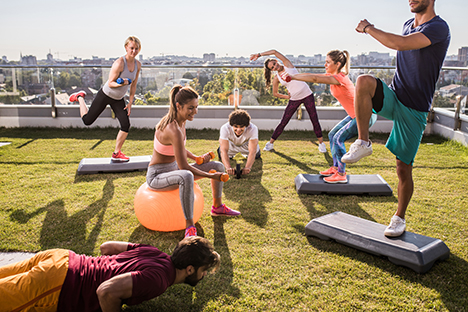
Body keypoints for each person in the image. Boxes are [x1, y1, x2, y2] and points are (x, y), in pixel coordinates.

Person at [341, 0, 450, 237]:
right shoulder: (407, 24)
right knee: (364, 82)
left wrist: (368, 28)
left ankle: (399, 218)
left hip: (415, 109)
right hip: (395, 96)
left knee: (403, 168)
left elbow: (401, 44)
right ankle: (363, 142)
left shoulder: (438, 28)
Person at [0, 236, 220, 312]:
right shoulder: (159, 280)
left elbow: (106, 247)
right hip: (57, 283)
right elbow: (106, 292)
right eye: (203, 272)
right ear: (190, 270)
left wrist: (103, 269)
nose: (203, 276)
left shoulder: (156, 253)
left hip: (61, 258)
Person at [147, 85, 241, 238]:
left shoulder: (181, 122)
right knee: (186, 176)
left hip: (174, 170)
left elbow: (178, 148)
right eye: (191, 108)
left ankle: (217, 207)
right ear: (178, 106)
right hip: (157, 177)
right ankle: (189, 226)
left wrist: (196, 158)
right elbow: (184, 167)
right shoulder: (172, 128)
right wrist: (211, 176)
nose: (195, 111)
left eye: (196, 107)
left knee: (217, 165)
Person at [288, 50, 377, 184]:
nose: (325, 65)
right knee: (332, 135)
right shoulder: (333, 75)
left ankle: (341, 174)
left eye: (328, 62)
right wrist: (295, 75)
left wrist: (294, 77)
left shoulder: (338, 78)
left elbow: (315, 79)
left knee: (338, 138)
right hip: (356, 115)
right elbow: (312, 75)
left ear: (338, 64)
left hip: (364, 116)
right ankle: (335, 168)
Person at [69, 36, 142, 162]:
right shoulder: (119, 63)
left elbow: (134, 84)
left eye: (136, 49)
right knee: (87, 121)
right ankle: (80, 97)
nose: (133, 51)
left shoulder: (137, 65)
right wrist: (122, 84)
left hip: (118, 98)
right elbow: (111, 83)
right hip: (105, 95)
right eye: (131, 48)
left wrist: (130, 102)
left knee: (125, 125)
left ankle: (116, 153)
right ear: (126, 48)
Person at [250, 50, 326, 153]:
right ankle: (270, 144)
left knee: (314, 119)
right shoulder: (277, 78)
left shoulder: (287, 64)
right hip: (294, 99)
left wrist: (259, 54)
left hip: (307, 94)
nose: (275, 67)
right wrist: (287, 97)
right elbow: (275, 93)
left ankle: (321, 144)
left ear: (276, 61)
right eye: (272, 68)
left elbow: (274, 51)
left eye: (274, 64)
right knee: (283, 122)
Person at [218, 109, 261, 176]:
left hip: (246, 145)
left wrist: (247, 167)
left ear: (246, 125)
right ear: (231, 125)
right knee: (220, 153)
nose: (238, 130)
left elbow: (252, 151)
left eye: (241, 127)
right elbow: (224, 150)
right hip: (231, 145)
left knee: (256, 155)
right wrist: (228, 167)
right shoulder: (225, 128)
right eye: (235, 126)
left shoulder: (253, 128)